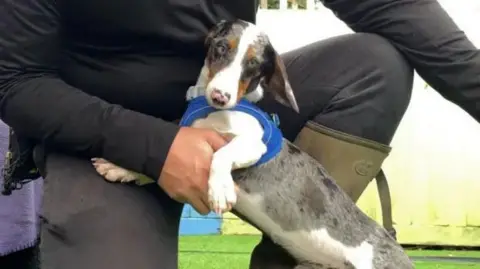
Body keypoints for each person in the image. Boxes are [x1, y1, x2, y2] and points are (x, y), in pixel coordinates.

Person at [0, 0, 479, 268]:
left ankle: (292, 257)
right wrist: (157, 146)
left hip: (232, 117)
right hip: (103, 136)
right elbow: (15, 80)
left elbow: (390, 5)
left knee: (375, 66)